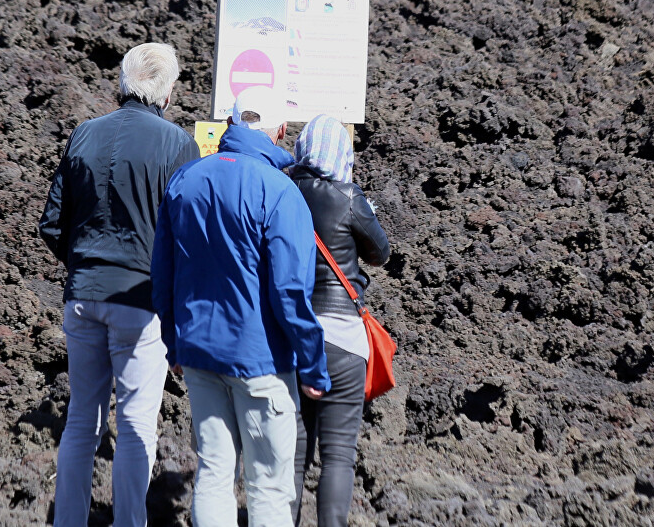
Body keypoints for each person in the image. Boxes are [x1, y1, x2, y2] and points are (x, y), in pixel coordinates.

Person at [150, 85, 331, 527]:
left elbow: (163, 274)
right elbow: (290, 291)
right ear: (282, 131)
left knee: (213, 471)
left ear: (228, 124)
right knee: (268, 484)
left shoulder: (187, 179)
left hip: (198, 353)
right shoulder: (281, 191)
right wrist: (312, 365)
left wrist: (174, 345)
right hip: (261, 361)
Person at [39, 42, 200, 527]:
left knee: (81, 422)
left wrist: (85, 264)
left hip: (82, 296)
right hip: (140, 302)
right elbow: (185, 235)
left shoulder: (84, 134)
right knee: (134, 426)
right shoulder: (177, 145)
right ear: (167, 93)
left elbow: (51, 224)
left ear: (122, 84)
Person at [288, 115, 390, 527]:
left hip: (292, 336)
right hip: (345, 340)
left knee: (293, 453)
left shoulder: (284, 188)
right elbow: (380, 252)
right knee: (338, 456)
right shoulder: (350, 196)